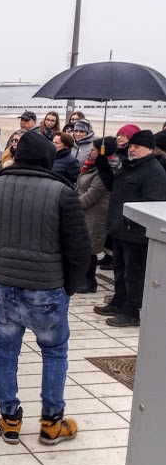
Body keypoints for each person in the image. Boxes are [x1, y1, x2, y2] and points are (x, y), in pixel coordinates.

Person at [0, 132, 90, 446]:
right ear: (48, 159)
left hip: (3, 285)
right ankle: (52, 422)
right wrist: (70, 287)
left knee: (6, 352)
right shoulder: (62, 193)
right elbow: (79, 249)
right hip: (47, 287)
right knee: (54, 353)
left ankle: (9, 418)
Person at [93, 130, 166, 327]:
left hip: (136, 233)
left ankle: (132, 312)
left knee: (134, 274)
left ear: (149, 149)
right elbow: (113, 186)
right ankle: (119, 302)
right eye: (131, 146)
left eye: (137, 146)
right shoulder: (130, 166)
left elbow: (153, 204)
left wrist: (132, 222)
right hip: (119, 228)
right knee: (119, 269)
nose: (132, 149)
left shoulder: (154, 172)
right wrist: (102, 162)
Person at [76, 137, 118, 294]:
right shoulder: (92, 166)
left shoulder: (104, 171)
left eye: (94, 149)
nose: (91, 151)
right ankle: (83, 278)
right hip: (86, 212)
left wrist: (73, 205)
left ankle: (90, 281)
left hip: (96, 214)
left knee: (90, 247)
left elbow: (92, 195)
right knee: (85, 247)